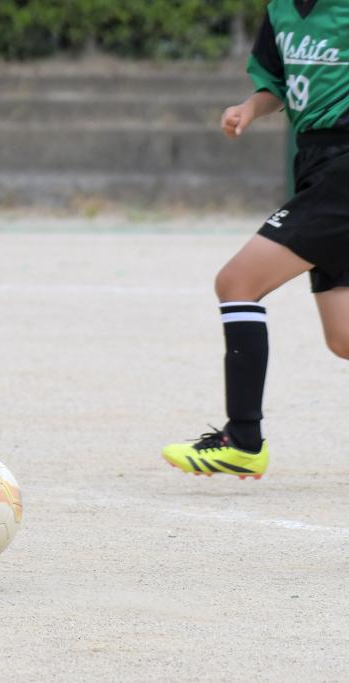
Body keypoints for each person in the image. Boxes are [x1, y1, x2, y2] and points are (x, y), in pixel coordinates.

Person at [162, 0, 349, 478]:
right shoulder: (282, 9)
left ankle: (242, 440)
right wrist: (249, 107)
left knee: (237, 282)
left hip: (343, 169)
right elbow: (278, 85)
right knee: (344, 337)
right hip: (314, 163)